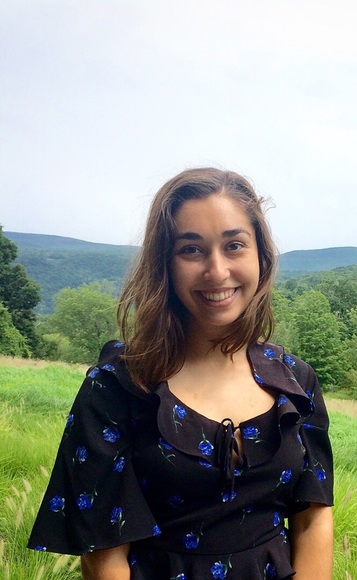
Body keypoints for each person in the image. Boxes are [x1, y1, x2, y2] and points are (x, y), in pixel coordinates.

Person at [28, 168, 334, 579]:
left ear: (261, 255)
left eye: (234, 245)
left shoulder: (294, 381)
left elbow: (313, 516)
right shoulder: (118, 385)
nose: (217, 271)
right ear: (165, 264)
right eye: (191, 250)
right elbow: (104, 553)